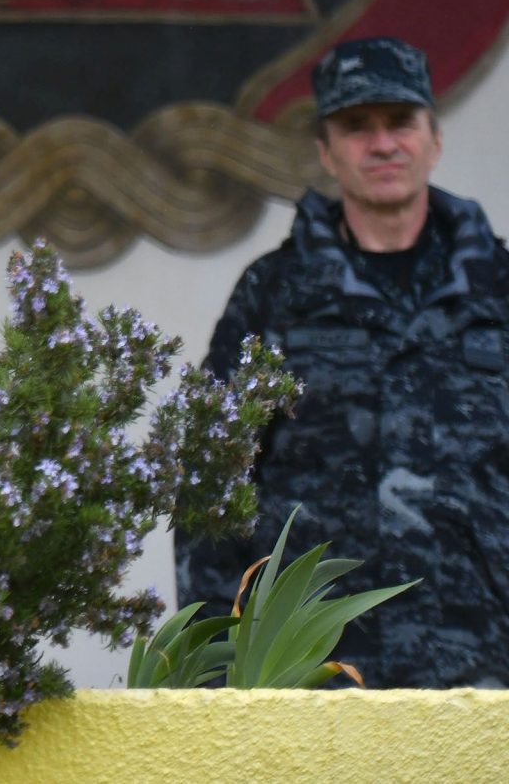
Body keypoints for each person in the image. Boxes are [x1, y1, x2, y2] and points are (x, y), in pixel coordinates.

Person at [177, 35, 509, 687]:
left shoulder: (499, 285)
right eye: (357, 126)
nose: (382, 143)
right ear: (327, 151)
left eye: (400, 122)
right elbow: (211, 478)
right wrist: (216, 661)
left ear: (434, 139)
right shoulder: (273, 293)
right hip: (315, 666)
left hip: (484, 663)